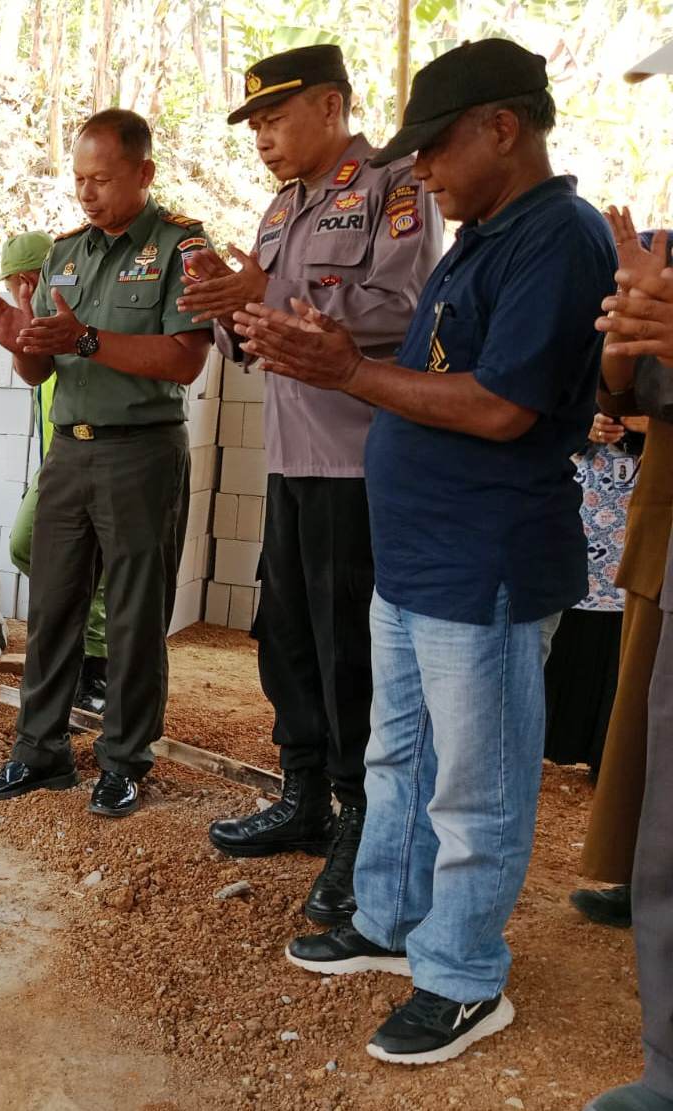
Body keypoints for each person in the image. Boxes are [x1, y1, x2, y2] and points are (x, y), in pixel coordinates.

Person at [235, 38, 615, 1064]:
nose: (425, 172)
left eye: (435, 149)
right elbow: (425, 367)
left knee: (475, 782)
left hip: (481, 562)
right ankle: (388, 919)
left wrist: (345, 372)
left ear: (502, 128)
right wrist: (333, 353)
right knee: (395, 755)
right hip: (415, 559)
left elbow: (500, 406)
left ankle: (460, 975)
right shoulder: (483, 233)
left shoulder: (558, 237)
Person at [177, 44, 444, 926]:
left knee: (348, 648)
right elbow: (255, 332)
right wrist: (224, 306)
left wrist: (271, 287)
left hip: (358, 462)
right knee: (282, 629)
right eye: (253, 123)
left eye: (274, 117)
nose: (261, 137)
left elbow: (405, 311)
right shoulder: (281, 207)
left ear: (331, 107)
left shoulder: (393, 188)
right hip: (288, 458)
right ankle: (303, 795)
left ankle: (365, 817)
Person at [0, 109, 213, 819]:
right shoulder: (65, 252)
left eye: (101, 179)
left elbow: (185, 357)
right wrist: (23, 340)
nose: (86, 193)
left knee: (137, 616)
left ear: (144, 173)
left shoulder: (180, 247)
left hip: (141, 451)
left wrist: (82, 339)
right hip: (69, 452)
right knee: (50, 608)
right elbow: (36, 369)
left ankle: (123, 761)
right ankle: (39, 751)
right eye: (78, 179)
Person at [573, 218, 673, 931]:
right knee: (650, 710)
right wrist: (621, 332)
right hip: (664, 512)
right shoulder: (661, 249)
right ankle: (650, 880)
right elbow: (620, 390)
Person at [0, 230, 111, 714]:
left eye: (12, 284)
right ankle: (76, 651)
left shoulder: (78, 323)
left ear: (27, 279)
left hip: (100, 457)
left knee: (93, 565)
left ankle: (96, 670)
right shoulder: (39, 335)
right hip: (58, 461)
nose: (10, 294)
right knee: (30, 547)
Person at [544, 411, 647, 777]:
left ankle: (612, 758)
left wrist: (655, 424)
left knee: (633, 641)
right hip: (578, 507)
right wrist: (584, 421)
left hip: (649, 512)